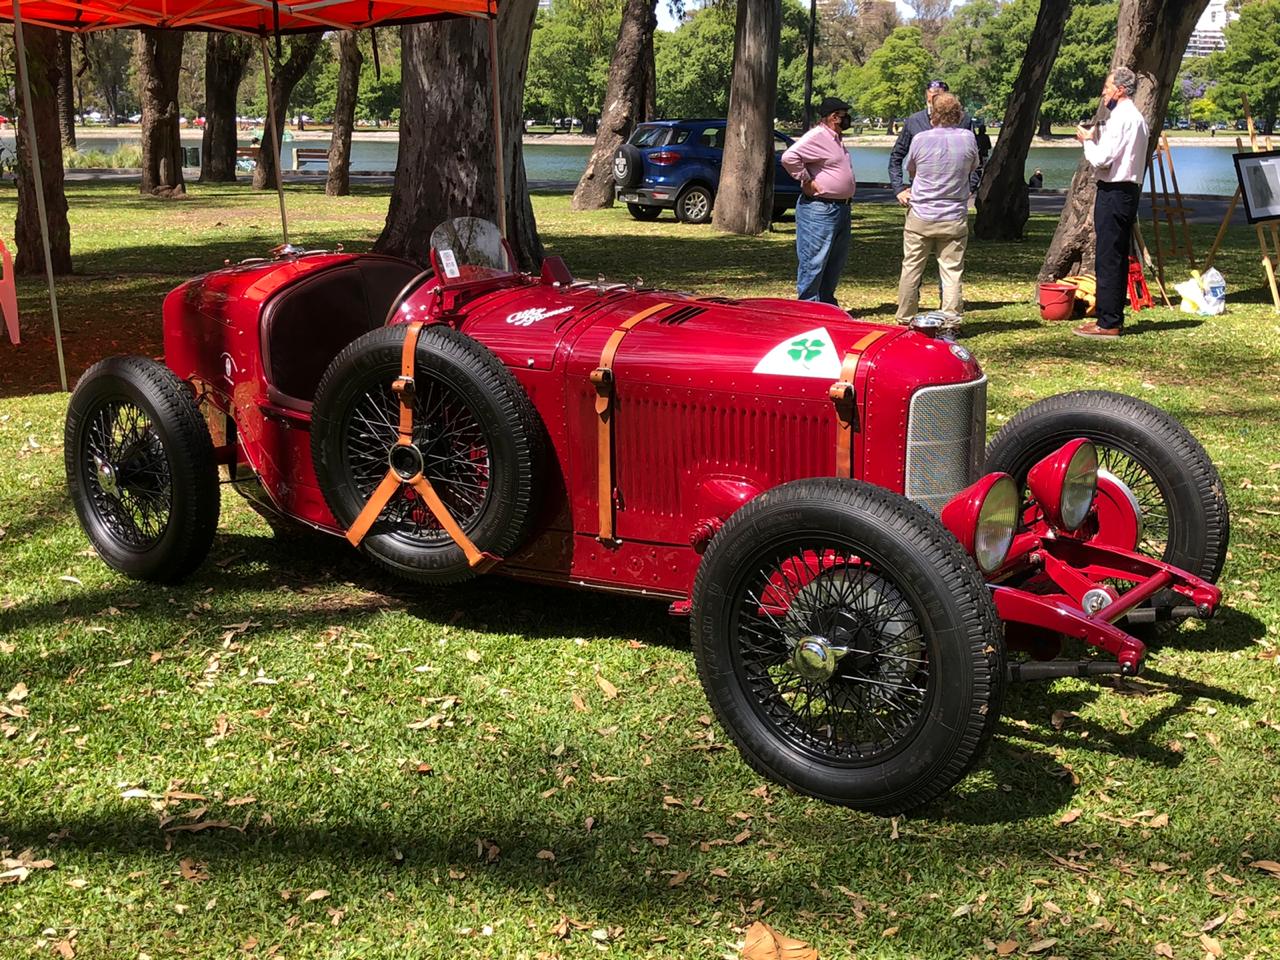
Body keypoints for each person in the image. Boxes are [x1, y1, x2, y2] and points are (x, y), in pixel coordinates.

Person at [1072, 67, 1149, 338]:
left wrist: (1087, 141)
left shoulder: (1121, 118)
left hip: (1115, 191)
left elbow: (1102, 159)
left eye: (1107, 87)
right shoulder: (1137, 118)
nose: (1103, 93)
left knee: (1109, 257)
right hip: (1127, 191)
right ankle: (1108, 315)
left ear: (1120, 90)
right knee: (1113, 255)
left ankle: (1109, 321)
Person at [894, 92, 979, 327]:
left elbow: (911, 169)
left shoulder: (920, 139)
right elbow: (974, 166)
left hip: (921, 213)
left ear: (934, 113)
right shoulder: (968, 138)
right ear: (958, 113)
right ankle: (951, 320)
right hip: (953, 214)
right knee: (951, 271)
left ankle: (905, 317)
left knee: (912, 267)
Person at [780, 96, 857, 305]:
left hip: (841, 208)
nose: (848, 119)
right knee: (814, 261)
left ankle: (826, 304)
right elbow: (789, 157)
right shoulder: (817, 136)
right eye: (844, 115)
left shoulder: (835, 138)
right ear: (834, 117)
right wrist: (806, 180)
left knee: (834, 261)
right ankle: (808, 306)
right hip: (820, 209)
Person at [889, 80, 980, 207]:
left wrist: (971, 187)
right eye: (931, 94)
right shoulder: (914, 121)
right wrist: (899, 189)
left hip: (954, 198)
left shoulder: (964, 120)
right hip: (921, 198)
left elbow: (977, 159)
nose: (934, 98)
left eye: (939, 95)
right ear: (926, 95)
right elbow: (896, 157)